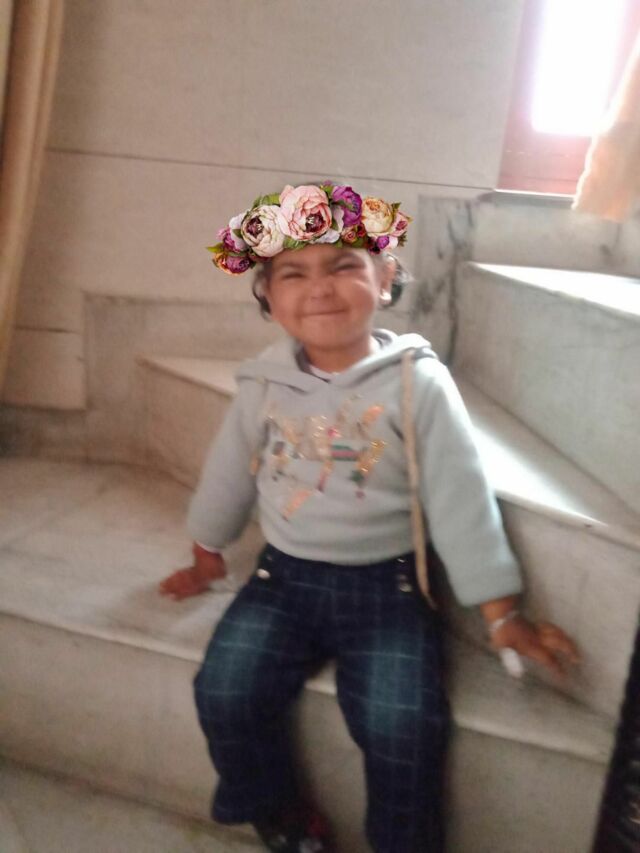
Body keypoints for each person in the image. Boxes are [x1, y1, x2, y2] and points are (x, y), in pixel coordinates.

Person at [159, 182, 580, 853]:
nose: (319, 288)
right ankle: (282, 813)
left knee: (403, 726)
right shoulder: (263, 383)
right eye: (293, 273)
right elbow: (228, 471)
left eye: (343, 266)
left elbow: (461, 498)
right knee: (224, 690)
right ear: (267, 297)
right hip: (282, 582)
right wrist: (207, 549)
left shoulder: (417, 381)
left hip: (388, 590)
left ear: (385, 279)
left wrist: (502, 613)